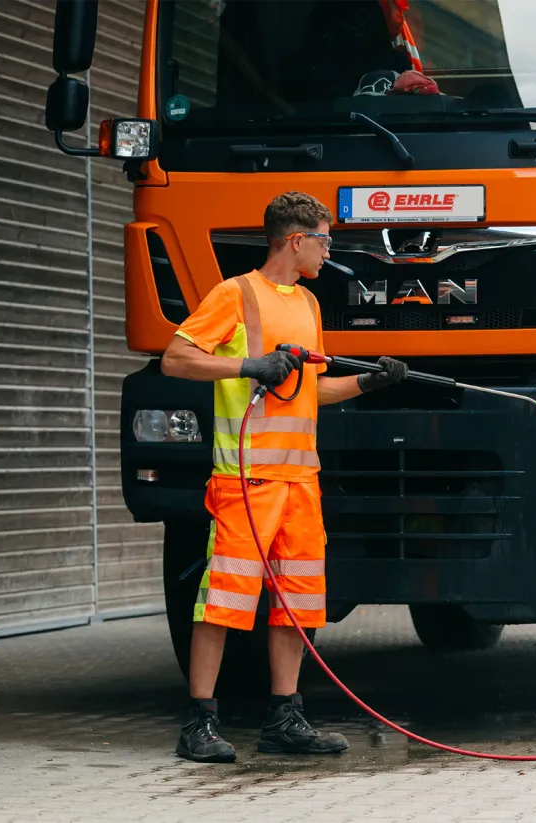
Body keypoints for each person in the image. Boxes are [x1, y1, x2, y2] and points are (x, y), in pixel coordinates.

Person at [161, 191, 407, 763]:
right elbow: (176, 358)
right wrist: (249, 364)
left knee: (297, 603)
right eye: (325, 240)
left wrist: (370, 384)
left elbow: (310, 390)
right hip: (246, 481)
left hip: (300, 484)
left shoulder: (310, 304)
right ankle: (198, 722)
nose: (330, 251)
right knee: (223, 601)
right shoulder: (235, 294)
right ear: (296, 240)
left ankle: (285, 719)